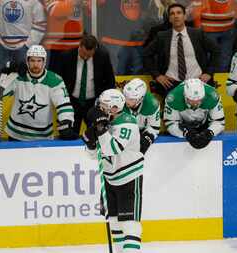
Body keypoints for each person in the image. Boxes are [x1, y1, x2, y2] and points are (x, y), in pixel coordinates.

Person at [82, 88, 144, 253]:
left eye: (104, 106)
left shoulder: (128, 122)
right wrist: (90, 143)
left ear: (115, 108)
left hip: (129, 177)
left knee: (130, 224)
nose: (99, 109)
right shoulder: (105, 122)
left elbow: (113, 148)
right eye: (100, 105)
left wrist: (101, 130)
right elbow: (94, 156)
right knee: (114, 222)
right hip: (110, 178)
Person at [0, 45, 76, 141]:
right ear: (27, 61)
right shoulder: (18, 76)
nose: (35, 64)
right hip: (16, 134)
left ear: (44, 62)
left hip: (43, 137)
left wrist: (66, 120)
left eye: (39, 61)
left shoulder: (55, 80)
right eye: (32, 61)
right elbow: (0, 92)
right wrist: (8, 74)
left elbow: (63, 104)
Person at [143, 3, 221, 98]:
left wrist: (209, 73)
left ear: (184, 16)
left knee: (200, 112)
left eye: (179, 13)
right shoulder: (162, 37)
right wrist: (157, 76)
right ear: (169, 19)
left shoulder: (197, 34)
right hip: (171, 85)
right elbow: (146, 55)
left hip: (198, 83)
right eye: (172, 14)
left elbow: (216, 51)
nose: (176, 16)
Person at [55, 34, 115, 135]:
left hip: (94, 104)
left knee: (97, 135)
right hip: (72, 102)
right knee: (70, 134)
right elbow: (58, 79)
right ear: (80, 46)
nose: (86, 57)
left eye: (89, 55)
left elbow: (110, 81)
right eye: (83, 54)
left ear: (95, 50)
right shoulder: (66, 56)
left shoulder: (102, 56)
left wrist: (103, 101)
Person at [164, 78, 224, 149]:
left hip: (205, 124)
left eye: (199, 100)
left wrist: (209, 133)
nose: (196, 104)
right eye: (192, 101)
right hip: (183, 126)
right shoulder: (173, 98)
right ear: (185, 96)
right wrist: (186, 134)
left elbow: (219, 122)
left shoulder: (213, 96)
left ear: (204, 95)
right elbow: (170, 124)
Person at [0, 0, 46, 70]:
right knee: (3, 78)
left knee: (24, 78)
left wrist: (28, 44)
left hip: (24, 48)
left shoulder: (34, 2)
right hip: (2, 46)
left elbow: (40, 22)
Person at [42, 0, 85, 72]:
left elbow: (95, 6)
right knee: (55, 79)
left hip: (76, 47)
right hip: (56, 48)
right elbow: (55, 10)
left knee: (72, 79)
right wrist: (75, 2)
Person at [123, 78, 160, 154]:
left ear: (140, 99)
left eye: (131, 99)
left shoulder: (152, 104)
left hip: (142, 131)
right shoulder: (119, 101)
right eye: (125, 96)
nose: (126, 101)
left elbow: (154, 128)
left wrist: (147, 138)